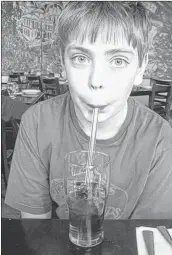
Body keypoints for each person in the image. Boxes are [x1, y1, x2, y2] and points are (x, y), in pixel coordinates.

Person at [5, 2, 172, 219]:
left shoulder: (160, 138)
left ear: (141, 67)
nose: (96, 81)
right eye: (80, 59)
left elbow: (145, 239)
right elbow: (37, 229)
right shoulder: (36, 123)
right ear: (63, 65)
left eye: (118, 60)